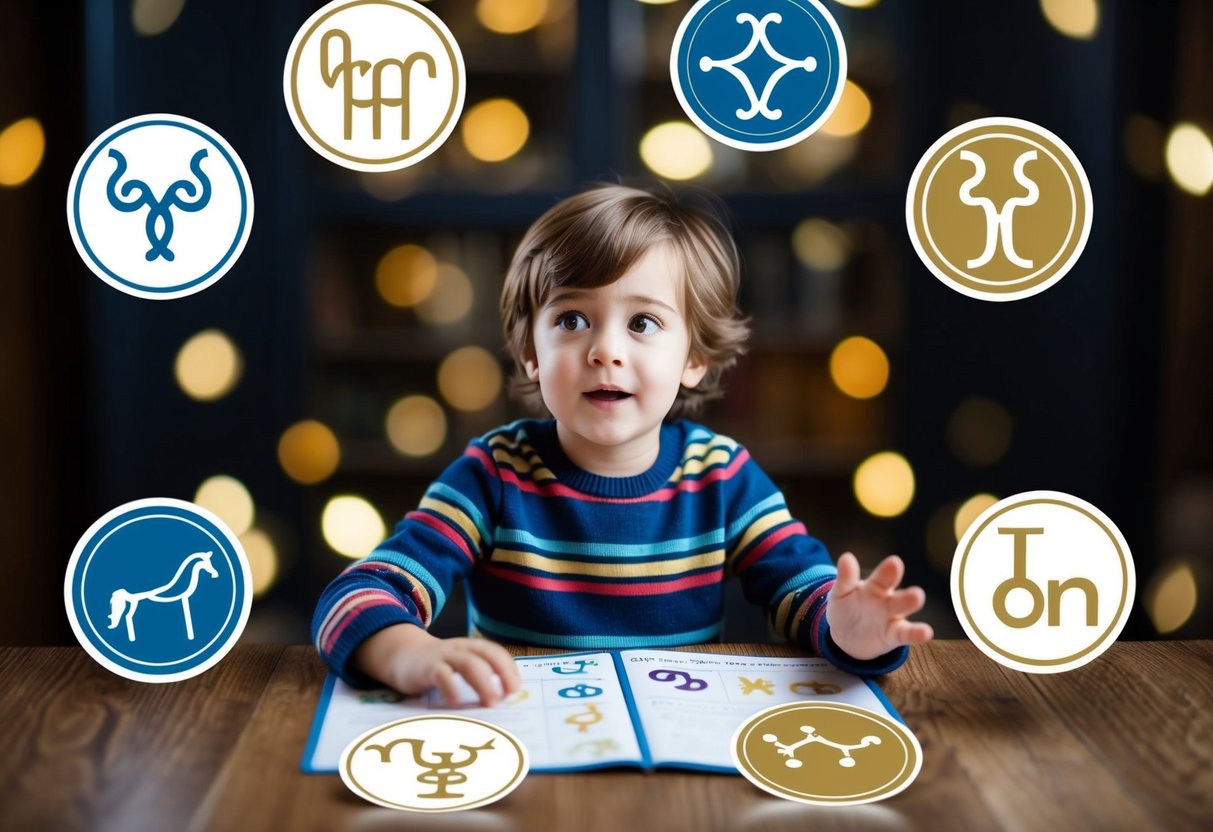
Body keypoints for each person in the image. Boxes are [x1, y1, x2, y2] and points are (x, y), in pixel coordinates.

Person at [312, 184, 933, 706]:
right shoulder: (492, 476)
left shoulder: (723, 476)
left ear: (693, 357)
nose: (605, 349)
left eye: (643, 323)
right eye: (571, 319)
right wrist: (407, 654)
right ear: (532, 352)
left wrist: (846, 628)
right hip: (532, 744)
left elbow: (803, 592)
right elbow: (356, 597)